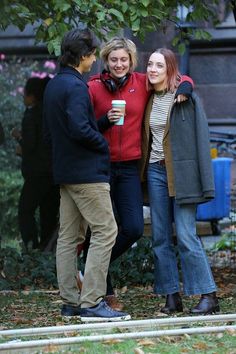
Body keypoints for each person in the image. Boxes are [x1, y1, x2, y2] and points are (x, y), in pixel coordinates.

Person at [78, 37, 194, 310]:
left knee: (131, 228)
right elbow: (83, 127)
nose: (119, 64)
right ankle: (105, 292)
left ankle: (91, 265)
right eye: (114, 59)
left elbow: (177, 75)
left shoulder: (142, 82)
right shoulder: (93, 88)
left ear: (131, 61)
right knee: (102, 231)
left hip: (130, 167)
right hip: (101, 167)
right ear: (106, 61)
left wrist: (187, 86)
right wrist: (105, 121)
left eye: (124, 59)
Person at [43, 28, 131, 322]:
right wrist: (102, 148)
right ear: (82, 56)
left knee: (69, 237)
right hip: (87, 174)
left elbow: (60, 131)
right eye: (93, 55)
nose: (95, 60)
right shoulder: (78, 87)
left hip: (65, 172)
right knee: (107, 231)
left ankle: (70, 301)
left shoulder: (55, 85)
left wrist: (101, 123)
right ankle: (92, 302)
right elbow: (80, 130)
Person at [141, 48, 219, 314]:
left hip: (182, 175)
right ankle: (171, 296)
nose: (152, 69)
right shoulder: (148, 97)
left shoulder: (186, 98)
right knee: (160, 237)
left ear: (170, 69)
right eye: (150, 64)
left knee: (186, 235)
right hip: (155, 171)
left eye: (159, 66)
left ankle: (208, 295)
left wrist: (204, 181)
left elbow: (201, 140)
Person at [12, 77, 60, 251]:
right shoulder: (50, 113)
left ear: (32, 96)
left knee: (25, 210)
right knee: (48, 212)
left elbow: (31, 144)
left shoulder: (31, 114)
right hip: (53, 172)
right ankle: (46, 248)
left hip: (37, 173)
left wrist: (19, 139)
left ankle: (31, 246)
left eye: (25, 94)